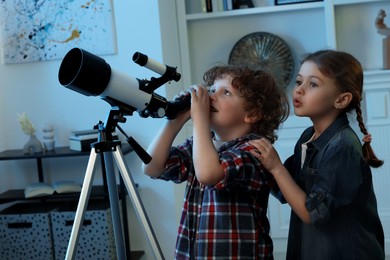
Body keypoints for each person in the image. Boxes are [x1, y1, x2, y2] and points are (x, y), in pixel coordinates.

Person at [142, 64, 289, 259]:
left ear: (251, 114)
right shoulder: (201, 145)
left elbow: (209, 174)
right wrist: (174, 121)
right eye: (211, 90)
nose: (211, 96)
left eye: (225, 92)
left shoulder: (254, 151)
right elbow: (152, 167)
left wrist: (200, 120)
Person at [249, 50, 385, 259]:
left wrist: (276, 167)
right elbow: (287, 189)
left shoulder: (342, 148)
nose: (299, 90)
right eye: (298, 81)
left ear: (341, 100)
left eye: (313, 84)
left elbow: (312, 213)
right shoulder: (308, 137)